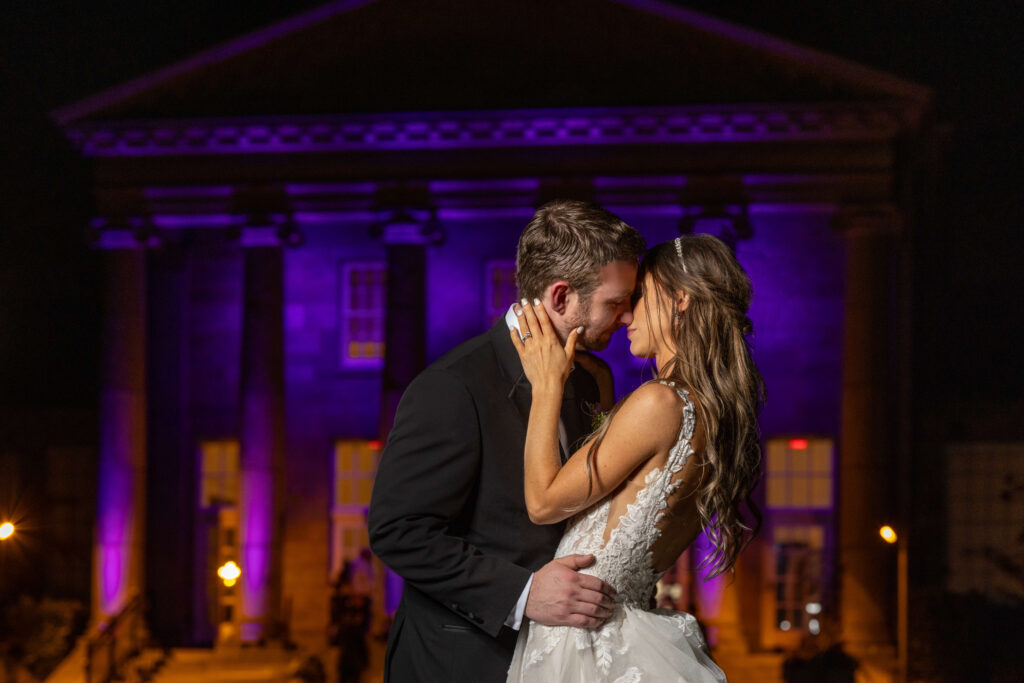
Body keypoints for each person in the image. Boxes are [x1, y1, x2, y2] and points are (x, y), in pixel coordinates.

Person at [368, 200, 647, 682]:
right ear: (561, 297)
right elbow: (399, 531)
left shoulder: (590, 380)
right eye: (615, 302)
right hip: (458, 663)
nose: (626, 317)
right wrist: (521, 593)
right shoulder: (454, 386)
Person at [506, 234, 765, 682]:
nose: (626, 313)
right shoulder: (711, 413)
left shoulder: (659, 403)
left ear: (680, 300)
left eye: (641, 296)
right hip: (620, 635)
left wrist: (547, 385)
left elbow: (544, 502)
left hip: (586, 644)